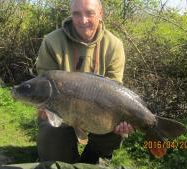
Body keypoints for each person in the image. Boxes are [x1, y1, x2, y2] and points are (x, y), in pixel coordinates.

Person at [35, 0, 133, 164]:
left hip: (99, 112)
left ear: (100, 14)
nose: (83, 20)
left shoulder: (114, 45)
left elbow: (115, 89)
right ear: (71, 14)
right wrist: (45, 108)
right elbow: (44, 85)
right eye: (76, 14)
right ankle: (60, 154)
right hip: (63, 111)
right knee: (55, 156)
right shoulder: (52, 41)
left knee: (118, 130)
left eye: (90, 13)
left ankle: (94, 158)